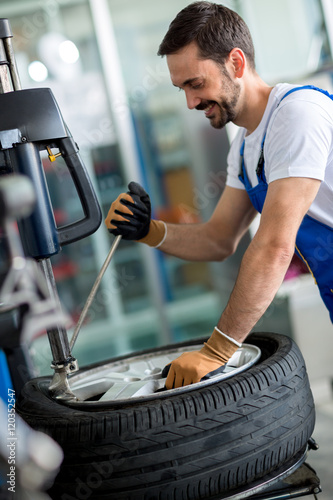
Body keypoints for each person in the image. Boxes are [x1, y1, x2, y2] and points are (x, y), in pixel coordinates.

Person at [105, 1, 333, 389]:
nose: (190, 103)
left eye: (196, 84)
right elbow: (218, 239)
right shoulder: (244, 148)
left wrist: (216, 351)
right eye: (182, 89)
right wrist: (148, 230)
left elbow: (276, 245)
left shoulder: (298, 113)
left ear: (236, 64)